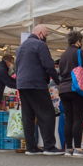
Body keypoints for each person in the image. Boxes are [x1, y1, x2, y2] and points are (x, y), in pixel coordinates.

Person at [15, 24, 62, 155]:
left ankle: (31, 147)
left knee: (28, 116)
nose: (46, 37)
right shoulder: (40, 45)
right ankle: (49, 147)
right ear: (40, 33)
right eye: (46, 35)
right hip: (36, 83)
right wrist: (58, 81)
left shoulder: (20, 47)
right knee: (47, 114)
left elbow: (16, 67)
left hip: (22, 84)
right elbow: (48, 65)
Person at [58, 31, 83, 157]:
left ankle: (69, 148)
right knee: (78, 119)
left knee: (68, 119)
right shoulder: (80, 53)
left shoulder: (63, 55)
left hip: (63, 90)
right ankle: (78, 149)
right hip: (77, 89)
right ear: (79, 41)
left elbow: (61, 73)